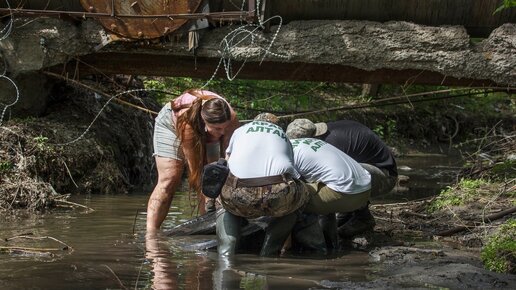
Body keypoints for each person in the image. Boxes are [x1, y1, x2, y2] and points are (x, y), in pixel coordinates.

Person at [216, 113, 310, 256]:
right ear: (277, 126)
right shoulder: (283, 135)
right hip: (275, 194)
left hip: (238, 193)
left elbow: (227, 162)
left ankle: (226, 252)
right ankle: (270, 251)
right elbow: (292, 173)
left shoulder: (240, 130)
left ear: (254, 122)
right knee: (302, 191)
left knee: (221, 200)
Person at [286, 119, 398, 237]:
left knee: (341, 176)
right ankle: (349, 213)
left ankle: (363, 218)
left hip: (385, 176)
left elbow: (340, 176)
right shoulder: (326, 131)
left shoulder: (332, 143)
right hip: (369, 168)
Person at [147, 89, 240, 232]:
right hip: (171, 124)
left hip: (207, 125)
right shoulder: (188, 124)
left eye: (225, 128)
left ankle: (211, 229)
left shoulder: (231, 119)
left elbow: (230, 162)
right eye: (218, 129)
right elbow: (196, 171)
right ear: (204, 122)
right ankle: (151, 233)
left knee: (217, 175)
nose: (223, 132)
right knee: (170, 178)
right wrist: (209, 198)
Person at [291, 137, 372, 250]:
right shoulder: (306, 141)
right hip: (365, 190)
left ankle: (317, 248)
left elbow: (296, 187)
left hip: (347, 194)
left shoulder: (285, 153)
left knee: (291, 199)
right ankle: (332, 244)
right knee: (319, 188)